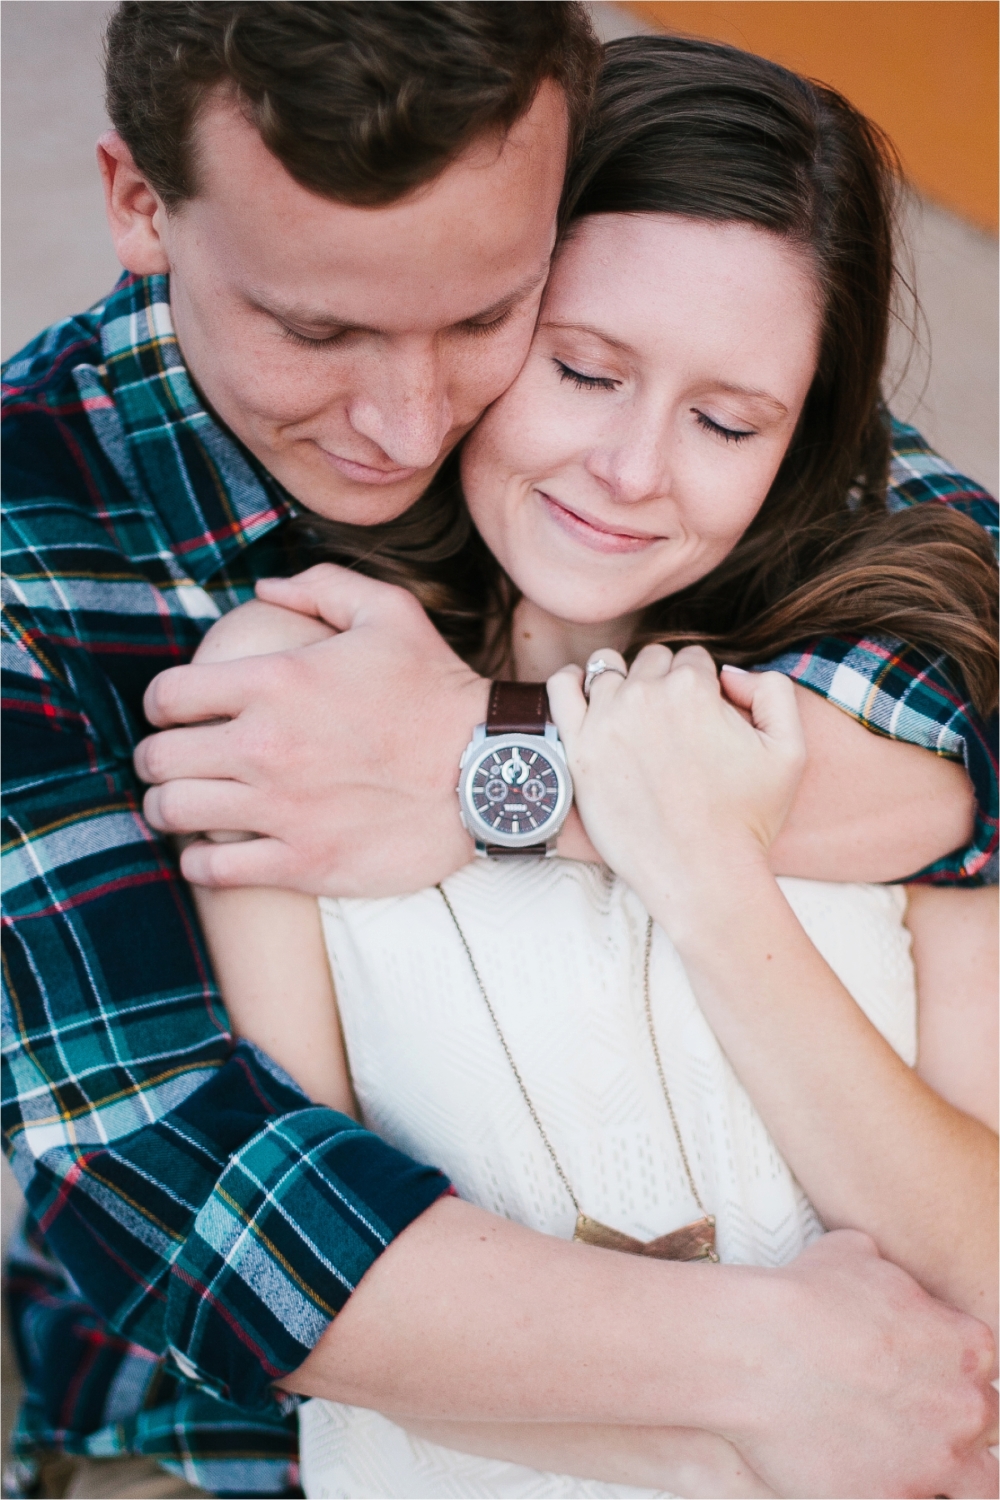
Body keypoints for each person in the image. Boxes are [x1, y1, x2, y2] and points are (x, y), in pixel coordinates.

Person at [1, 5, 995, 1498]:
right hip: (235, 1439)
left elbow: (957, 693)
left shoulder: (685, 392)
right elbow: (178, 1187)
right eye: (319, 328)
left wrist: (493, 772)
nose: (405, 420)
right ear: (142, 203)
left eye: (485, 315)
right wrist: (771, 1377)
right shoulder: (43, 556)